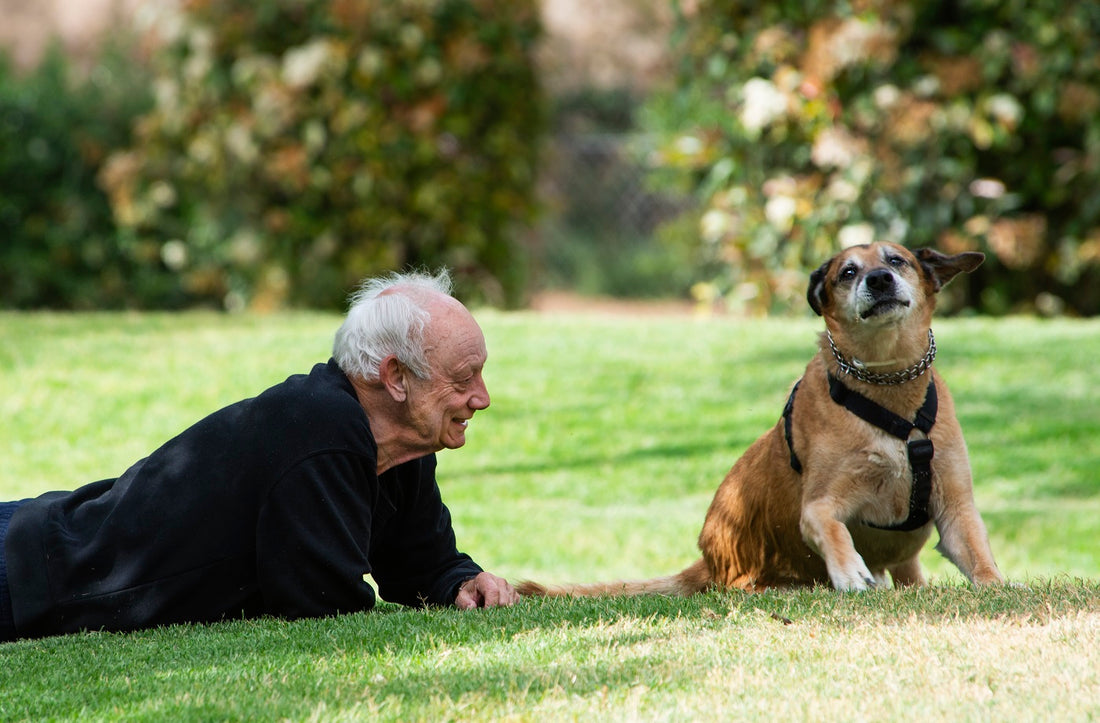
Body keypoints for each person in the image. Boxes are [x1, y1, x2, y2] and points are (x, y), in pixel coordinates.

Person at [0, 269, 518, 642]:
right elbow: (324, 609)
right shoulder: (319, 422)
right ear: (395, 377)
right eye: (462, 378)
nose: (482, 397)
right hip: (28, 572)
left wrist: (460, 583)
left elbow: (420, 565)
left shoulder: (404, 443)